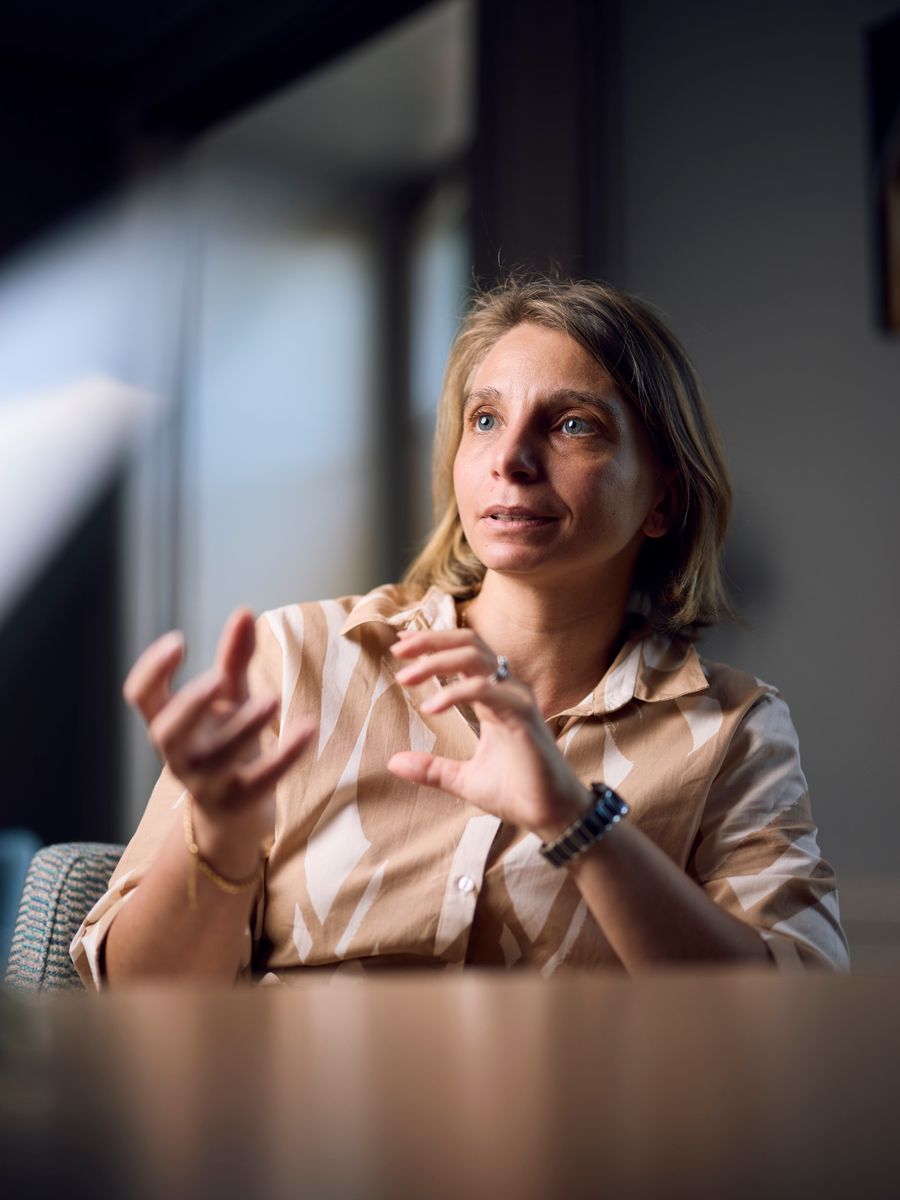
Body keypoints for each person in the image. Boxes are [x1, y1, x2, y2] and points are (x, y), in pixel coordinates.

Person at [71, 278, 849, 987]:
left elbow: (793, 1012)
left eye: (573, 425)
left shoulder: (733, 732)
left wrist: (576, 821)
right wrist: (220, 838)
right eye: (485, 419)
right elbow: (138, 999)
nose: (510, 459)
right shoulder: (297, 660)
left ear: (663, 502)